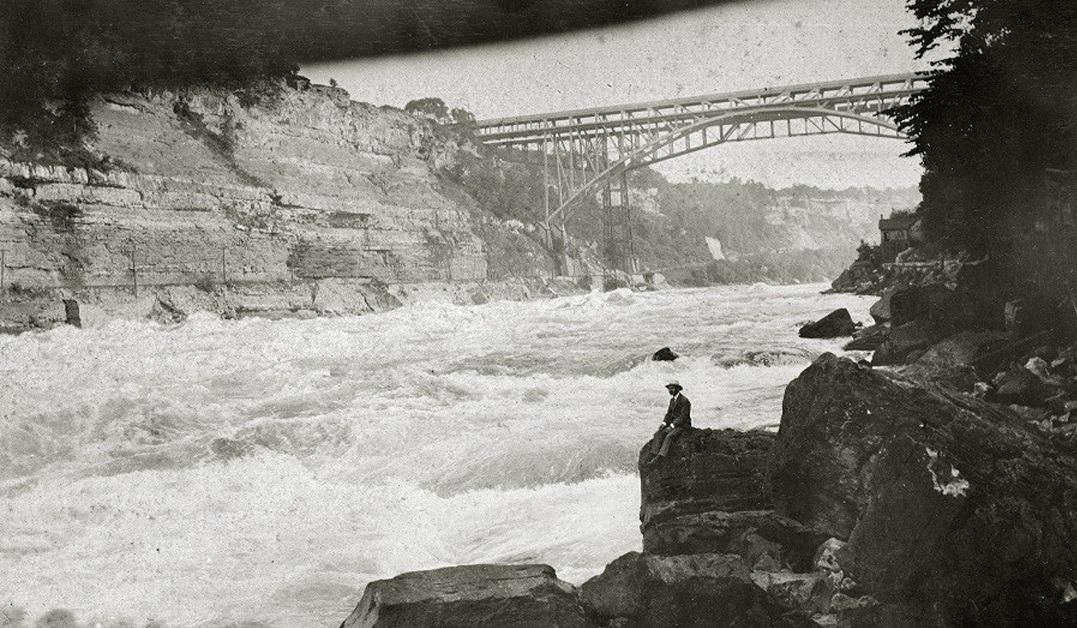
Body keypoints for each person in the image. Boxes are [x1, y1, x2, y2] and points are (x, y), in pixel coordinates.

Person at [644, 379, 691, 465]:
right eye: (669, 388)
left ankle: (660, 457)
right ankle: (653, 454)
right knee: (658, 433)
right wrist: (664, 423)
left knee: (669, 436)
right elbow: (668, 414)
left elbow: (683, 417)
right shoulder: (672, 400)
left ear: (678, 389)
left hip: (683, 426)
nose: (670, 390)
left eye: (672, 388)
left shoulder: (685, 401)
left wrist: (672, 426)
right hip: (674, 424)